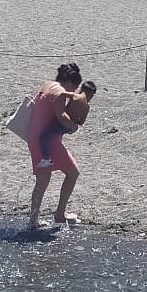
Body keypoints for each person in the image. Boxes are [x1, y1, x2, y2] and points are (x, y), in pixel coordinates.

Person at [25, 63, 87, 233]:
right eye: (74, 86)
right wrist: (73, 126)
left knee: (52, 177)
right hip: (45, 142)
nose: (74, 91)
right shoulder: (60, 91)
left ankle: (47, 216)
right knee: (64, 175)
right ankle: (43, 218)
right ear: (68, 81)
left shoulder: (48, 85)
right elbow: (61, 115)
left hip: (39, 138)